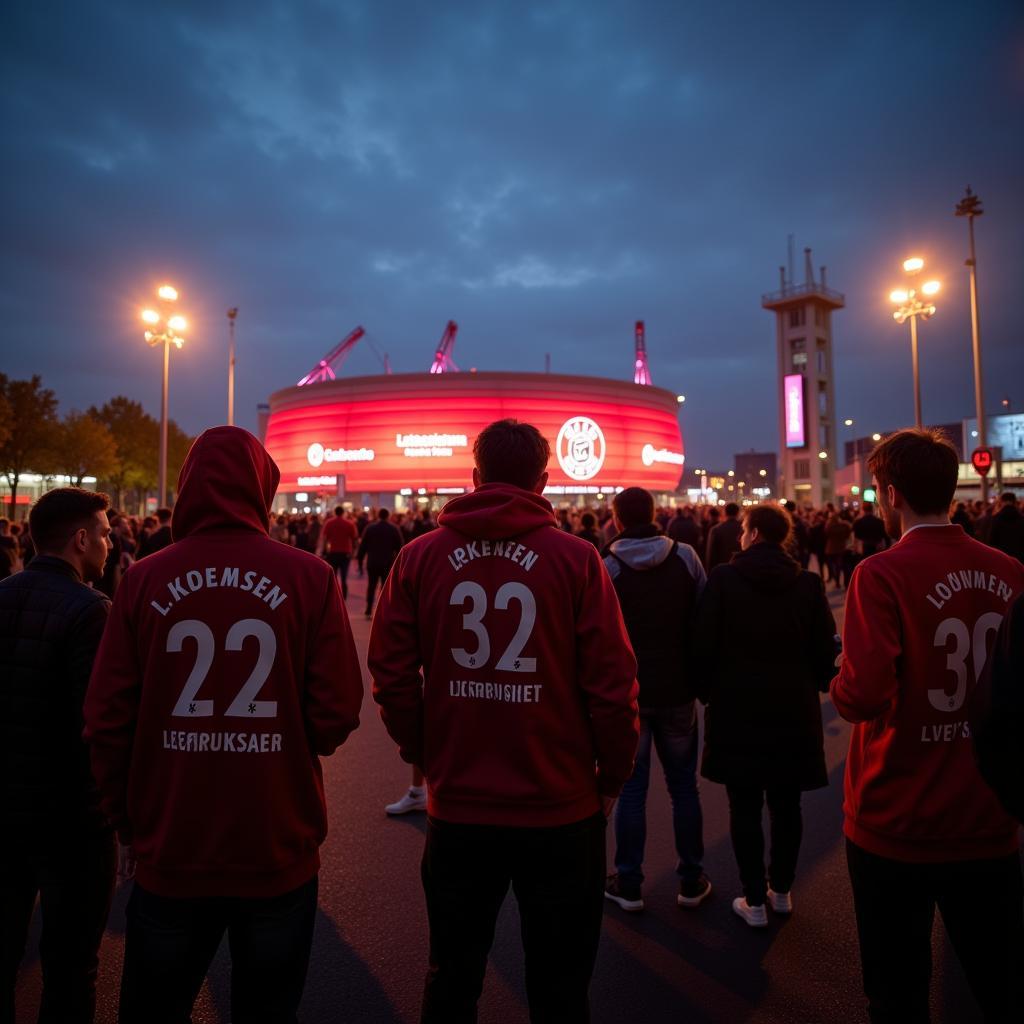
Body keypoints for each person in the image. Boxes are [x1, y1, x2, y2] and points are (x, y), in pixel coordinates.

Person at [83, 427, 363, 1024]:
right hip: (276, 839)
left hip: (172, 840)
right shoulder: (309, 578)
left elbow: (106, 719)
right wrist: (288, 739)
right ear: (264, 488)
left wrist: (125, 820)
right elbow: (338, 711)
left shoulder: (144, 579)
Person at [369, 418, 639, 1024]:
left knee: (452, 976)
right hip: (562, 805)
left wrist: (426, 752)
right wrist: (611, 777)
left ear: (475, 476)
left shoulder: (419, 557)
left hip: (460, 802)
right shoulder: (577, 560)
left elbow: (388, 672)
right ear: (543, 481)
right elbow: (614, 687)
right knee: (562, 986)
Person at [831, 428, 1024, 1024]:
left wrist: (836, 678)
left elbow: (862, 696)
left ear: (889, 494)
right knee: (1002, 985)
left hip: (897, 816)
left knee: (897, 994)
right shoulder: (1011, 570)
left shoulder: (881, 574)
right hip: (991, 812)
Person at [1, 488, 115, 1023]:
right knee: (71, 966)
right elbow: (97, 723)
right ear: (81, 539)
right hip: (68, 819)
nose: (111, 544)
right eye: (106, 533)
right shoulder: (91, 611)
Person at [695, 503, 837, 928]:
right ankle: (782, 890)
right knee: (786, 803)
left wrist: (706, 691)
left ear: (753, 533)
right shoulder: (808, 585)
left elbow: (702, 644)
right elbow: (825, 656)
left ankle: (753, 896)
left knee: (743, 804)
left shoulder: (722, 579)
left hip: (737, 708)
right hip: (792, 710)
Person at [602, 487, 710, 913]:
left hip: (628, 692)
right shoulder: (685, 558)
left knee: (631, 790)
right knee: (684, 788)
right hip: (679, 689)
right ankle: (691, 879)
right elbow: (704, 618)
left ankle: (628, 882)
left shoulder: (607, 565)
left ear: (617, 518)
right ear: (655, 514)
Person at [357, 507, 404, 618]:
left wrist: (360, 562)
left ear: (378, 515)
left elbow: (363, 546)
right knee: (385, 587)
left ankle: (368, 610)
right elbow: (400, 547)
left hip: (372, 561)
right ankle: (383, 610)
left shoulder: (370, 528)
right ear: (388, 516)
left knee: (371, 585)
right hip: (387, 562)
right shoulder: (393, 529)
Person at [319, 505, 358, 599]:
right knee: (344, 576)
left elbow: (324, 539)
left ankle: (334, 596)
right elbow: (354, 539)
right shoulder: (349, 523)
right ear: (343, 513)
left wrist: (323, 550)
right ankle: (344, 596)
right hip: (345, 553)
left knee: (333, 576)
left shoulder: (329, 523)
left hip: (333, 552)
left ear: (334, 512)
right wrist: (354, 552)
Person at [988, 491, 1024, 564]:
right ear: (1014, 501)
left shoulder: (995, 518)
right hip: (1020, 558)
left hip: (1002, 557)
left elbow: (991, 541)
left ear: (1001, 502)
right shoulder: (1021, 518)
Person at [705, 502, 742, 570]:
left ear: (724, 513)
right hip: (740, 568)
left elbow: (711, 556)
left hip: (721, 569)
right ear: (738, 513)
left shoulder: (716, 529)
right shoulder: (744, 529)